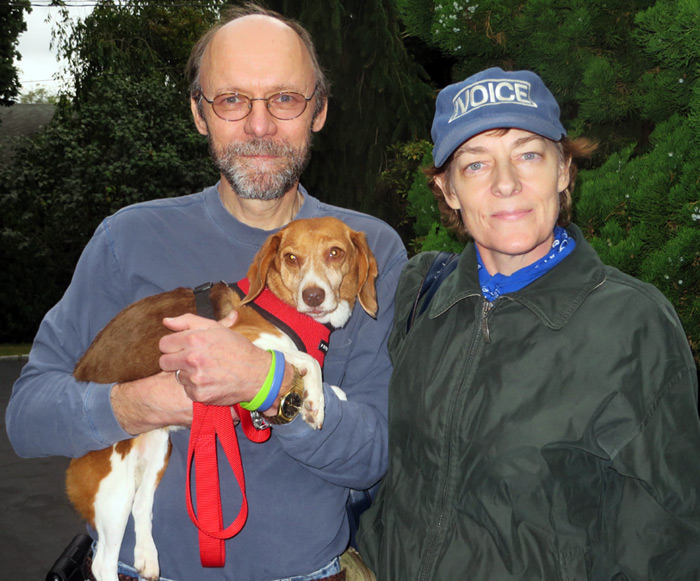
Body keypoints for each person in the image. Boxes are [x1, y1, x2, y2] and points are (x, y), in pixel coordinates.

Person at [6, 5, 406, 581]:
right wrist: (143, 404)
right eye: (232, 100)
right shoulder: (128, 239)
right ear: (199, 113)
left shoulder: (370, 250)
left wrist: (271, 385)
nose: (260, 126)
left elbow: (374, 456)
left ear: (318, 110)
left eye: (285, 98)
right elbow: (28, 417)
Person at [357, 67, 700, 579]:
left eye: (528, 155)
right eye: (476, 164)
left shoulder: (633, 325)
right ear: (448, 190)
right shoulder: (421, 294)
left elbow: (666, 546)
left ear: (563, 170)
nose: (506, 183)